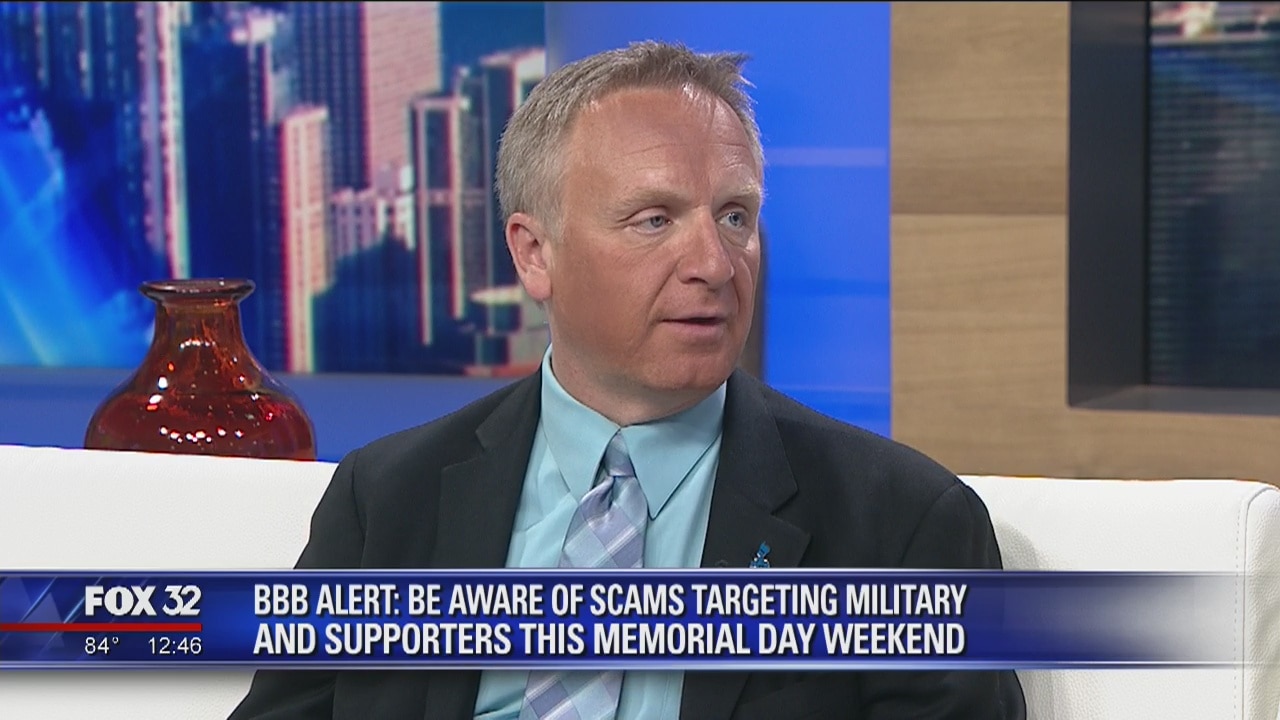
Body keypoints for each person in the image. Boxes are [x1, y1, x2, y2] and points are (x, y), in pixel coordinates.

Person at [230, 40, 1026, 720]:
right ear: (534, 253)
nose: (714, 263)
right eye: (655, 220)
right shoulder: (386, 499)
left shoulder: (902, 529)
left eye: (735, 216)